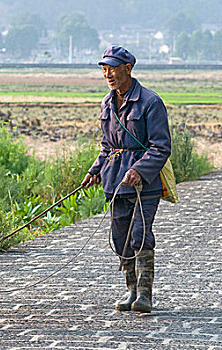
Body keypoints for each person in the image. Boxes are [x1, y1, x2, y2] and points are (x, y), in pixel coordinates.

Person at [81, 45, 171, 313]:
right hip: (115, 182)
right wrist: (95, 170)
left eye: (112, 68)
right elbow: (107, 145)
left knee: (139, 235)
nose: (107, 74)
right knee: (120, 239)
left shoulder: (151, 102)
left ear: (128, 69)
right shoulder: (107, 102)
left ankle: (145, 295)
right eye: (104, 69)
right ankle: (131, 289)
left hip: (145, 184)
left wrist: (139, 170)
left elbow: (161, 147)